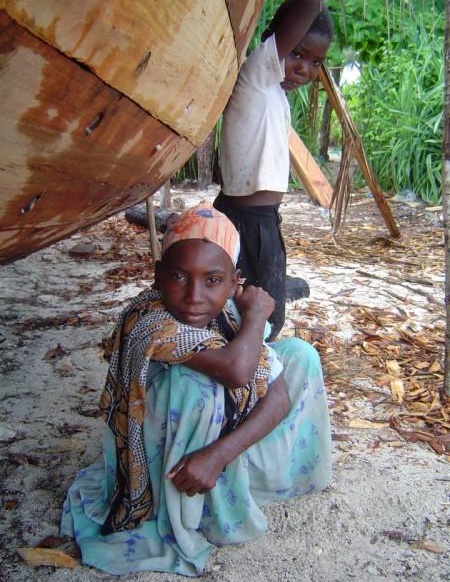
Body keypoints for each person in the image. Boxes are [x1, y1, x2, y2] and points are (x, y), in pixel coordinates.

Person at [61, 200, 331, 576]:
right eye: (179, 276)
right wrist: (256, 315)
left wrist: (219, 455)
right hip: (155, 451)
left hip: (209, 444)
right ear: (158, 276)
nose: (194, 295)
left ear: (236, 282)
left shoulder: (227, 310)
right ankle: (183, 511)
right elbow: (237, 371)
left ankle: (248, 478)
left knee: (300, 355)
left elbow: (279, 392)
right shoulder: (149, 317)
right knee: (195, 385)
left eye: (213, 280)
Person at [214, 0, 334, 341]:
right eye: (297, 53)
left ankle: (248, 372)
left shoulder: (276, 94)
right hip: (245, 221)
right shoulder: (258, 75)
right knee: (251, 316)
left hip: (260, 221)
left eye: (316, 62)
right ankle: (245, 379)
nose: (305, 69)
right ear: (274, 41)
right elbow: (310, 1)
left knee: (258, 311)